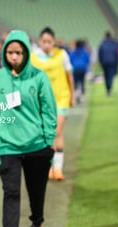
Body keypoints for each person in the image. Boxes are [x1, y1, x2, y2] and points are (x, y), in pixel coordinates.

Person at [0, 29, 57, 227]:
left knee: (36, 194)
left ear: (26, 52)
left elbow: (49, 110)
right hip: (8, 146)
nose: (15, 57)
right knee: (11, 194)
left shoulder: (39, 77)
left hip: (37, 146)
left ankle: (37, 222)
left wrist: (48, 139)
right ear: (4, 53)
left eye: (19, 52)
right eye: (10, 53)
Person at [31, 27, 75, 181]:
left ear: (54, 42)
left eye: (49, 41)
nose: (47, 44)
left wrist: (72, 95)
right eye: (44, 41)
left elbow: (70, 75)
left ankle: (58, 168)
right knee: (45, 134)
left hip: (61, 98)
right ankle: (49, 167)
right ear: (39, 41)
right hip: (42, 101)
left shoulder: (61, 55)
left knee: (56, 132)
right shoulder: (33, 57)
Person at [98, 32, 118, 96]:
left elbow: (100, 55)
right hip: (112, 62)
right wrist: (117, 62)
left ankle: (108, 88)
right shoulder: (114, 44)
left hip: (104, 62)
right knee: (110, 76)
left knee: (106, 75)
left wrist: (101, 62)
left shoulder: (102, 44)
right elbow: (116, 54)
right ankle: (109, 88)